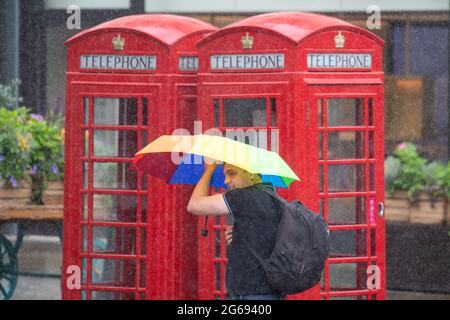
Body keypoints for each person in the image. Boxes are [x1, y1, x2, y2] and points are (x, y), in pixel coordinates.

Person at [187, 159, 285, 300]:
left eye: (232, 174)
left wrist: (209, 170)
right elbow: (267, 238)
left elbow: (194, 205)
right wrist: (241, 235)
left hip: (252, 292)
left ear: (251, 173)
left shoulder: (245, 196)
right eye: (225, 174)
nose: (226, 181)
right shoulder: (271, 196)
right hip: (268, 290)